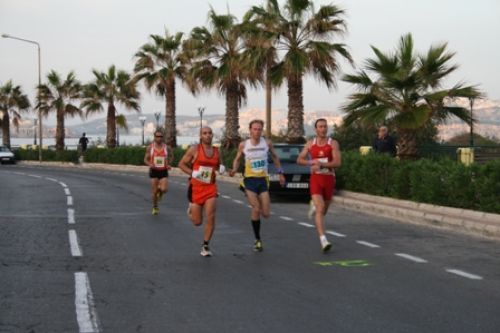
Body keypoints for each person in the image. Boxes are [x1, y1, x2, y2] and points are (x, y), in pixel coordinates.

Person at [229, 119, 285, 252]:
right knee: (256, 208)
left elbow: (276, 158)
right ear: (250, 130)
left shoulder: (267, 143)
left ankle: (258, 230)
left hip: (263, 180)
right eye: (255, 129)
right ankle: (257, 239)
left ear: (262, 130)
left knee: (265, 214)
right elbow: (237, 159)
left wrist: (281, 173)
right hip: (249, 180)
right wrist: (234, 170)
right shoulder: (244, 145)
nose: (257, 131)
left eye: (259, 129)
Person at [178, 126, 225, 257]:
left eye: (210, 133)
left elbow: (219, 165)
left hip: (210, 187)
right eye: (205, 133)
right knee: (197, 222)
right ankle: (191, 210)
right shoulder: (195, 149)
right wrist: (193, 173)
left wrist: (222, 168)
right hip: (196, 188)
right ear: (200, 136)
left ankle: (205, 245)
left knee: (211, 216)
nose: (208, 135)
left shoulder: (216, 151)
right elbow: (181, 164)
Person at [297, 118, 341, 252]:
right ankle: (323, 240)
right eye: (320, 127)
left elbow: (337, 163)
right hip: (316, 179)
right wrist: (311, 163)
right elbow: (299, 159)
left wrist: (322, 164)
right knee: (321, 207)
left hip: (328, 179)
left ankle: (314, 206)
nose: (323, 129)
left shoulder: (332, 143)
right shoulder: (310, 144)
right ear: (316, 129)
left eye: (325, 126)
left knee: (324, 211)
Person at [143, 130, 172, 215]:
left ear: (163, 137)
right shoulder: (150, 147)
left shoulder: (166, 147)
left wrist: (169, 164)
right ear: (154, 137)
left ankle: (160, 192)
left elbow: (170, 156)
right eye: (157, 136)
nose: (159, 138)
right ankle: (155, 207)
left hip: (163, 171)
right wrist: (150, 164)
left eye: (161, 136)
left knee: (164, 189)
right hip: (154, 171)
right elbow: (145, 159)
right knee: (154, 192)